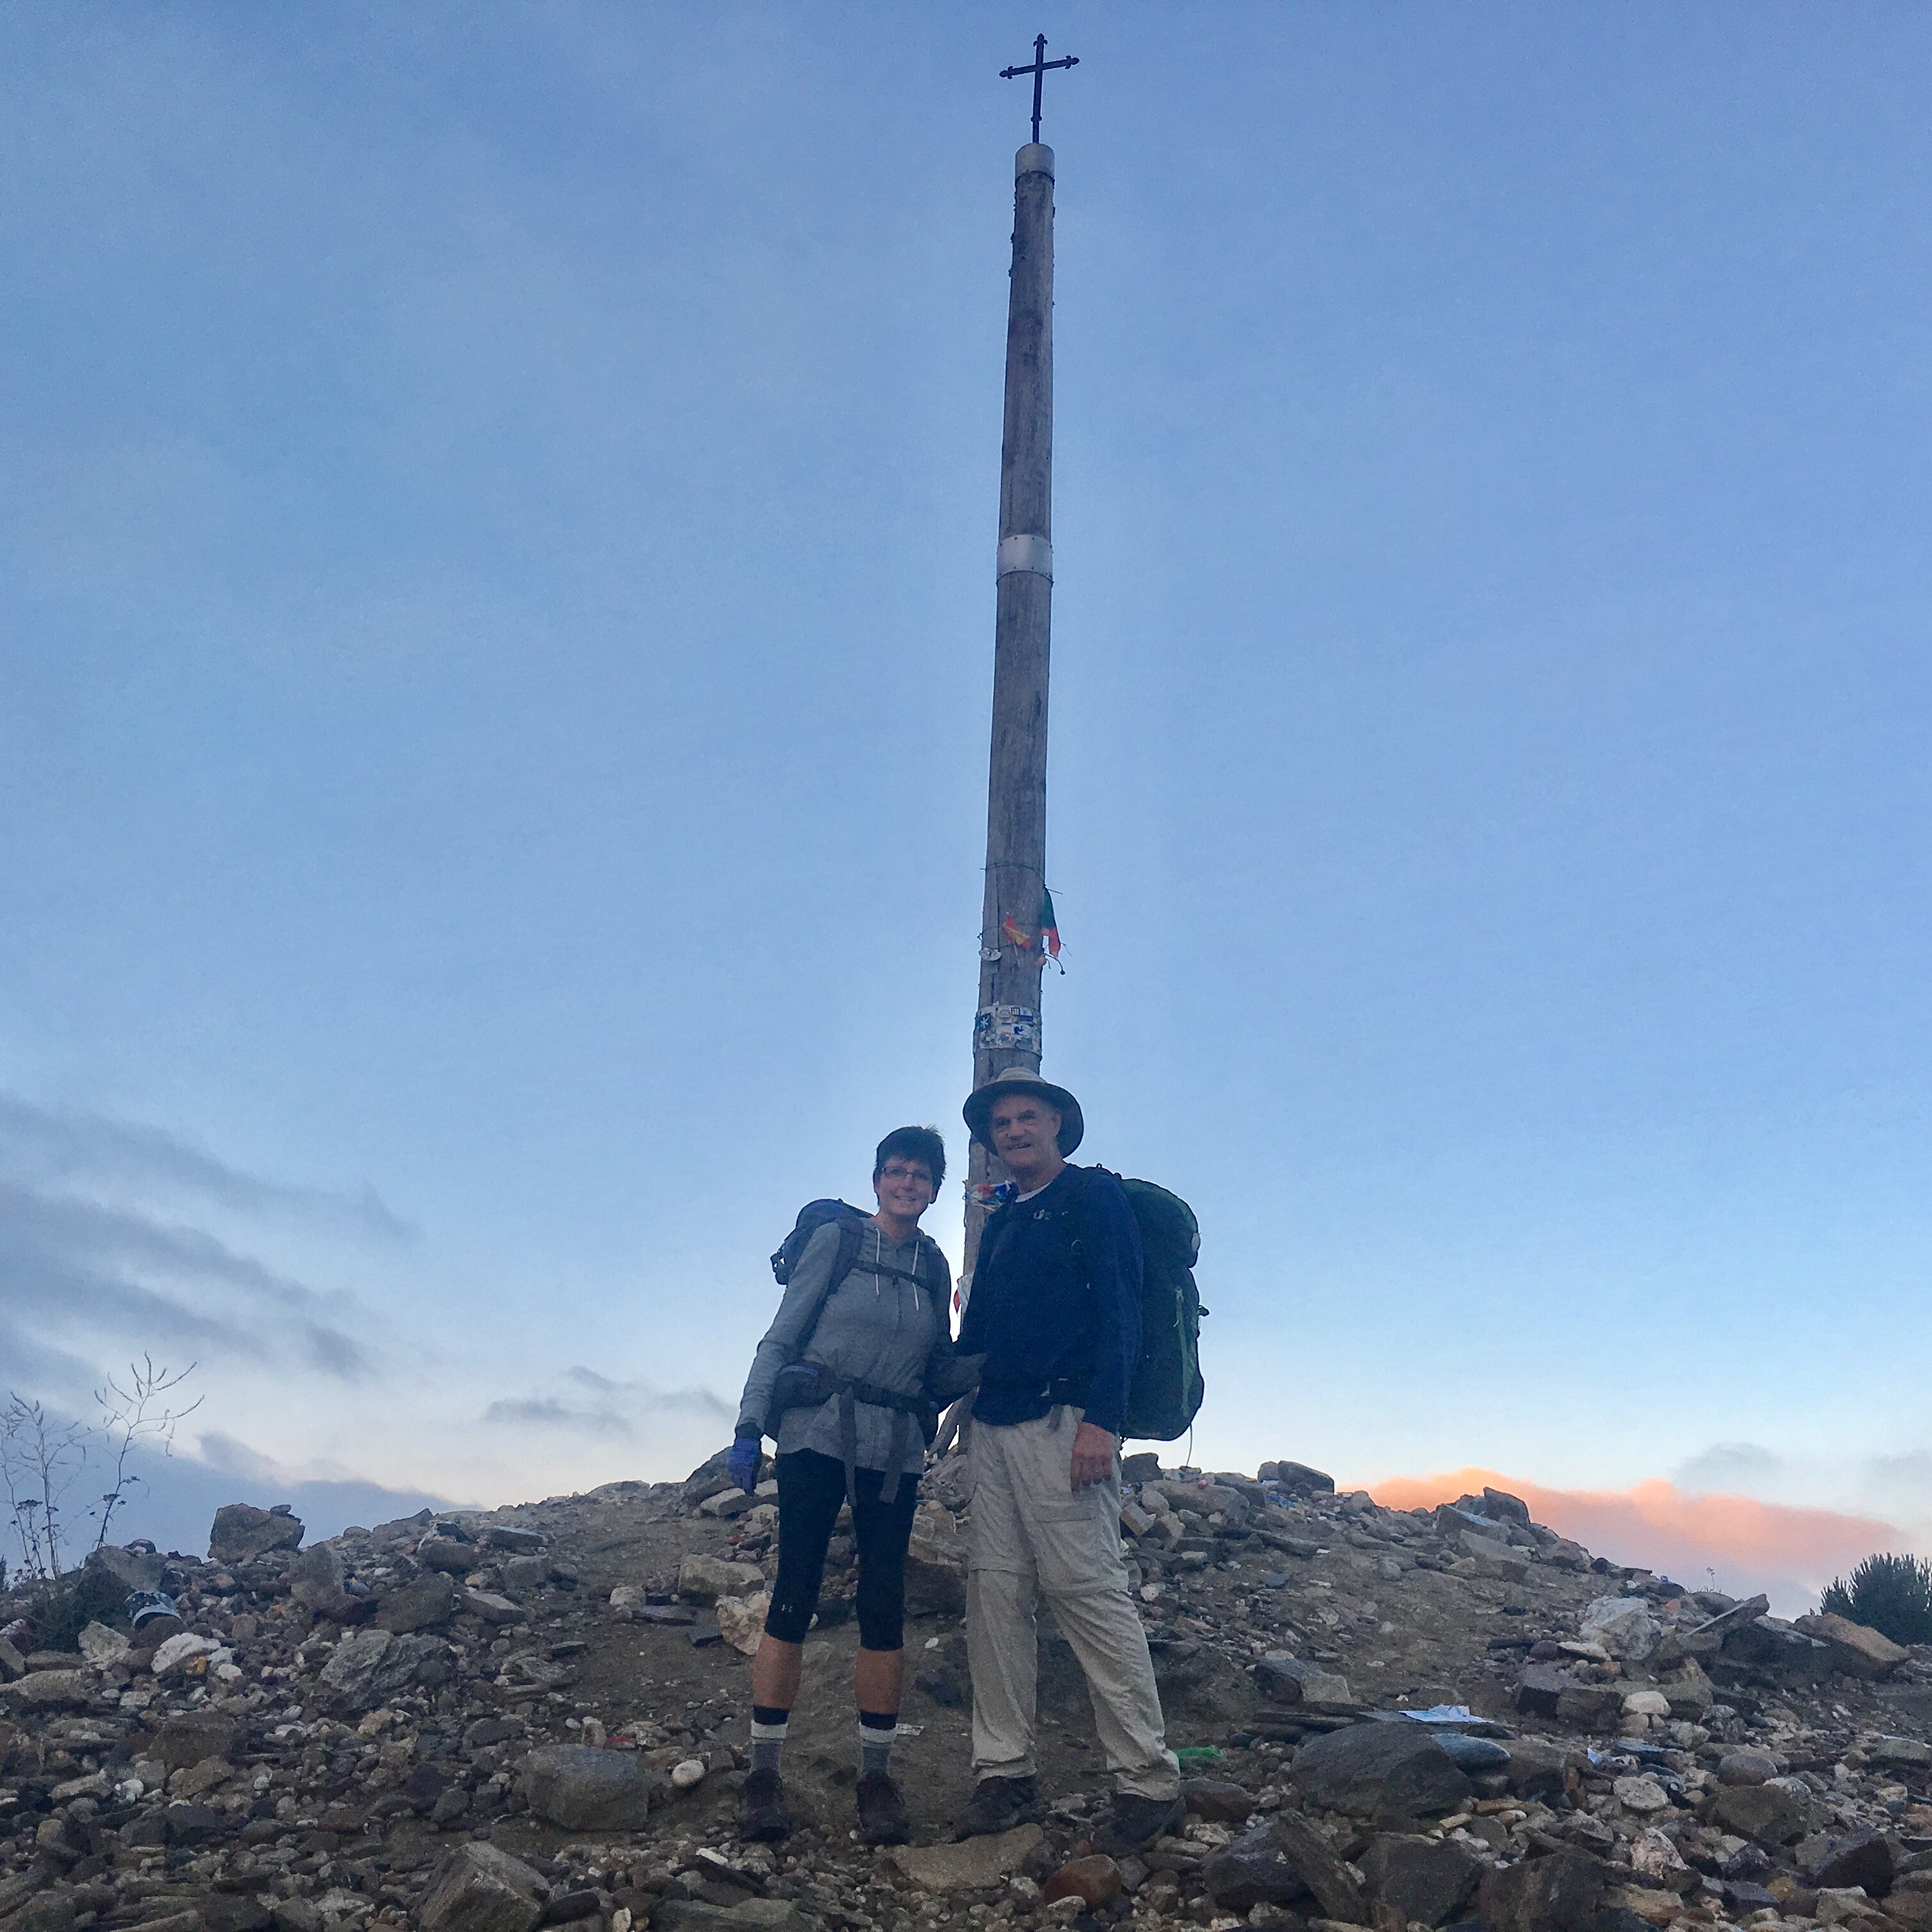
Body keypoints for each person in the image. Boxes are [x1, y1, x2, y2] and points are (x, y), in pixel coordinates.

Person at [952, 1067, 1183, 1851]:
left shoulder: (1092, 1197)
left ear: (1057, 1124)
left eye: (1027, 1119)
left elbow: (1123, 1308)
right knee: (996, 1597)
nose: (1013, 1131)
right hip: (993, 1426)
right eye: (1002, 1124)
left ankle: (1146, 1779)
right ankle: (1003, 1772)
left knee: (1088, 1593)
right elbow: (977, 1334)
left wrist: (1103, 1423)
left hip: (1065, 1423)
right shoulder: (1007, 1217)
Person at [728, 1125, 967, 1847]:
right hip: (816, 1438)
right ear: (877, 1180)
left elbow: (937, 1363)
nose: (907, 1185)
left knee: (883, 1603)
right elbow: (782, 1335)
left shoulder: (932, 1264)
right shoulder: (837, 1244)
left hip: (893, 1452)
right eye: (896, 1172)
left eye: (921, 1177)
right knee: (795, 1591)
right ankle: (764, 1773)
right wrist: (747, 1425)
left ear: (933, 1188)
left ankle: (876, 1778)